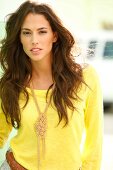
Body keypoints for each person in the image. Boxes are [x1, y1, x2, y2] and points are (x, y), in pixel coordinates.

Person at [0, 1, 103, 170]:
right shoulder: (13, 82)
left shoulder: (85, 77)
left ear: (54, 35)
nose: (34, 40)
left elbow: (95, 141)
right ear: (19, 38)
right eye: (26, 33)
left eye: (42, 32)